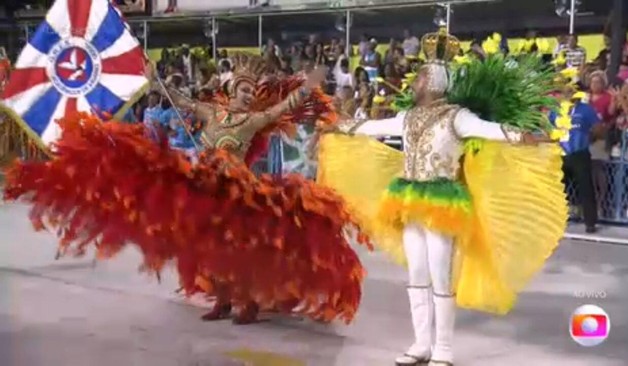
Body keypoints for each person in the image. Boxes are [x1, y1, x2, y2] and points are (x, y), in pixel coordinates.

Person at [5, 54, 370, 327]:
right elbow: (179, 101)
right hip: (206, 189)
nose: (246, 94)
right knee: (210, 250)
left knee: (236, 252)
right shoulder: (212, 114)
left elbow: (281, 109)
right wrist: (155, 80)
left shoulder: (251, 120)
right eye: (241, 89)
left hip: (238, 194)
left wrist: (305, 90)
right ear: (229, 91)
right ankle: (222, 301)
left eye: (250, 90)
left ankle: (248, 304)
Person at [317, 30, 567, 366]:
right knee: (417, 273)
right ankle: (421, 344)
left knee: (440, 274)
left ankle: (443, 349)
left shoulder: (457, 117)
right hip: (407, 197)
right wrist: (340, 127)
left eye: (421, 76)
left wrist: (529, 137)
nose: (415, 81)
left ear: (435, 81)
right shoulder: (409, 117)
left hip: (443, 202)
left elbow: (492, 131)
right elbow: (375, 128)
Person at [551, 86, 601, 233]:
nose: (567, 94)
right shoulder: (556, 111)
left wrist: (589, 137)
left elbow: (598, 128)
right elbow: (548, 128)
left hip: (579, 154)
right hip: (560, 154)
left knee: (586, 188)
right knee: (556, 189)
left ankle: (590, 223)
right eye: (565, 91)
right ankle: (555, 221)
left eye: (571, 91)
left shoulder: (586, 109)